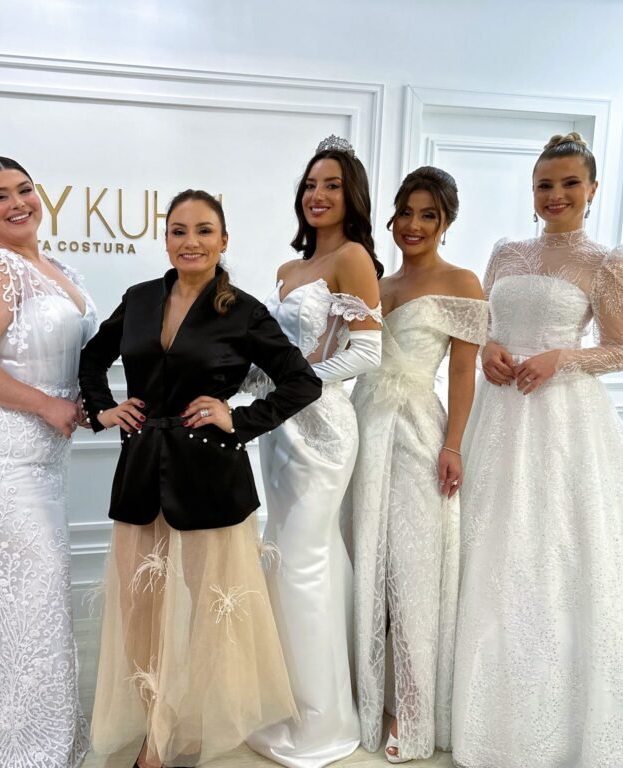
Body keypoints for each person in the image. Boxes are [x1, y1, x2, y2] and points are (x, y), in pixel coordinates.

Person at [451, 133, 623, 767]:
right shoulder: (505, 252)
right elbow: (482, 324)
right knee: (489, 543)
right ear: (532, 191)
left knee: (558, 548)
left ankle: (567, 713)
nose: (556, 195)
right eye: (545, 184)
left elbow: (620, 350)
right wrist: (489, 351)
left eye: (569, 183)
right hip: (498, 413)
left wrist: (561, 357)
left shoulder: (606, 262)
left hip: (565, 419)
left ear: (592, 190)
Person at [81, 189, 322, 768]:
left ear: (223, 240)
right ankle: (155, 729)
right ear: (166, 239)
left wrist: (238, 418)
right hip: (141, 472)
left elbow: (302, 381)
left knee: (209, 616)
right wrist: (104, 410)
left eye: (204, 230)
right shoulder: (140, 299)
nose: (190, 242)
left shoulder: (242, 311)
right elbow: (92, 357)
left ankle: (177, 735)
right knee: (141, 614)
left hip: (211, 476)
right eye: (179, 231)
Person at [0, 156, 96, 768]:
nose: (17, 203)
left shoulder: (58, 268)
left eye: (24, 190)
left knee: (24, 583)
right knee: (35, 579)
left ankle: (22, 718)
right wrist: (46, 406)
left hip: (43, 449)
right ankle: (24, 740)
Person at [245, 135, 382, 768]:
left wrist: (298, 382)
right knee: (289, 555)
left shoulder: (353, 258)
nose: (317, 195)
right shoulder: (287, 270)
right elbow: (275, 356)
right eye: (309, 185)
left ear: (351, 196)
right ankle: (286, 703)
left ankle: (321, 721)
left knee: (304, 558)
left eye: (331, 185)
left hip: (323, 428)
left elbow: (367, 352)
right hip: (279, 430)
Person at [348, 167, 485, 763]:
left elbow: (463, 373)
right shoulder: (379, 283)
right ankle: (370, 694)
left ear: (445, 222)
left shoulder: (462, 282)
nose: (413, 225)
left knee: (412, 570)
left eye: (428, 215)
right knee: (367, 560)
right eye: (405, 212)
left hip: (418, 432)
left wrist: (453, 445)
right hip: (364, 426)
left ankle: (412, 708)